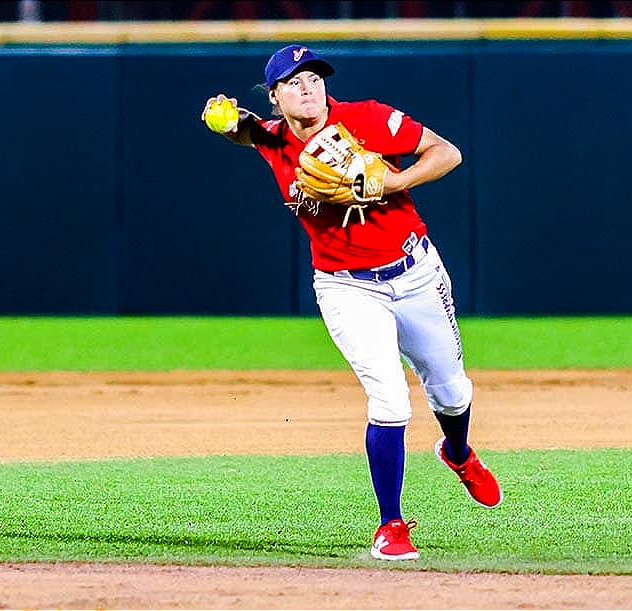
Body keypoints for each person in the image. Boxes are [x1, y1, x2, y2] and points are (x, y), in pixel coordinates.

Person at [201, 44, 502, 561]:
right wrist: (222, 117)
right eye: (294, 81)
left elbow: (447, 152)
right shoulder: (274, 139)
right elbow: (245, 127)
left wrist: (396, 181)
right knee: (390, 399)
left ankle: (457, 453)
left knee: (452, 393)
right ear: (276, 96)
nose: (309, 86)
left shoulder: (366, 119)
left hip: (416, 273)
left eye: (315, 77)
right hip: (346, 287)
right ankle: (391, 524)